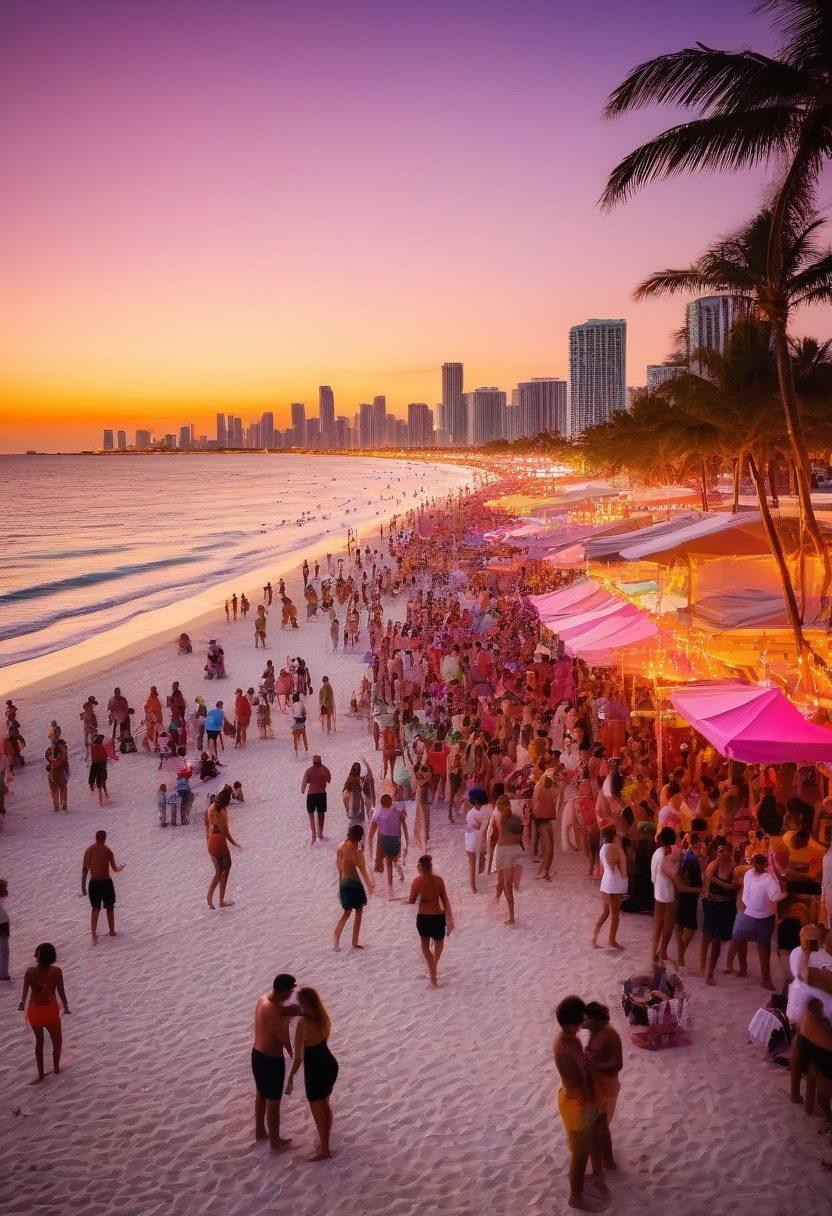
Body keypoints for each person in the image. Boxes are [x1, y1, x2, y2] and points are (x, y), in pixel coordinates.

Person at [553, 994, 608, 1211]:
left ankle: (585, 1184)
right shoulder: (571, 1043)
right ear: (574, 1022)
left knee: (580, 1148)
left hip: (568, 1096)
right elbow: (584, 1069)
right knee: (580, 1154)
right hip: (577, 1103)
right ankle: (575, 1197)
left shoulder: (560, 1040)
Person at [286, 987, 339, 1161]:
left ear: (304, 1004)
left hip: (315, 1069)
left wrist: (291, 1076)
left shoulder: (303, 1023)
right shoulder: (323, 1017)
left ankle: (324, 1150)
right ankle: (326, 1142)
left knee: (317, 1110)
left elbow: (298, 1057)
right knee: (325, 1104)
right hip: (330, 1064)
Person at [252, 973, 302, 1151]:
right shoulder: (275, 1012)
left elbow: (277, 1010)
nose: (290, 997)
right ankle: (275, 1141)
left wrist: (287, 1011)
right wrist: (294, 1057)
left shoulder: (263, 999)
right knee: (274, 1102)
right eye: (289, 993)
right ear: (283, 993)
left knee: (260, 1095)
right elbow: (284, 1038)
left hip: (257, 1055)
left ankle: (260, 1132)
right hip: (271, 1061)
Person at [724, 852, 786, 989]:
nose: (757, 866)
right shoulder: (750, 874)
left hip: (760, 914)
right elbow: (777, 896)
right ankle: (744, 970)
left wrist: (779, 874)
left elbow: (775, 896)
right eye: (756, 863)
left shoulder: (764, 878)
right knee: (740, 940)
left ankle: (765, 979)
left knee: (761, 946)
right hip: (748, 911)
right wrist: (781, 878)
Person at [18, 943, 70, 1084]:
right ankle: (56, 1069)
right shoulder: (57, 971)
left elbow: (25, 993)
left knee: (39, 1042)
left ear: (38, 955)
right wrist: (66, 1007)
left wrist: (22, 1002)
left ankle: (41, 1075)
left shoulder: (29, 972)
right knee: (57, 1042)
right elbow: (61, 992)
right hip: (50, 1011)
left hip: (34, 1011)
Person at [583, 1001, 623, 1172]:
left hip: (606, 1085)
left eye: (588, 1020)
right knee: (597, 1123)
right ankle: (605, 1158)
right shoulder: (596, 1031)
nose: (585, 1023)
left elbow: (617, 1063)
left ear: (596, 1019)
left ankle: (609, 1161)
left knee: (600, 1124)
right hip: (595, 1084)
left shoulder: (610, 1035)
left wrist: (595, 1066)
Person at [408, 854, 453, 985]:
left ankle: (433, 976)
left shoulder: (417, 881)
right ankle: (434, 967)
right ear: (431, 867)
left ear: (420, 867)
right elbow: (445, 901)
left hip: (423, 918)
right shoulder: (439, 880)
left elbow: (411, 900)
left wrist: (401, 902)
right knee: (439, 943)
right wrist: (450, 919)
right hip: (438, 917)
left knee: (425, 946)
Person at [698, 839, 738, 985]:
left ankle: (709, 973)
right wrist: (714, 874)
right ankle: (703, 968)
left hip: (724, 906)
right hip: (711, 904)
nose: (723, 853)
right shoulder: (713, 865)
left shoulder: (733, 867)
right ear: (716, 852)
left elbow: (732, 887)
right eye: (720, 851)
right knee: (705, 937)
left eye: (725, 850)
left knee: (716, 941)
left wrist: (716, 880)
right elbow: (707, 878)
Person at [333, 823, 375, 950]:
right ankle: (354, 942)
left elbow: (339, 869)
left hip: (344, 883)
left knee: (346, 913)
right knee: (359, 911)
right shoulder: (356, 852)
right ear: (360, 837)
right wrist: (369, 886)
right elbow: (362, 869)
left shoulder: (341, 846)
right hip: (354, 884)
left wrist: (339, 887)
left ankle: (335, 944)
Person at [81, 829, 124, 939]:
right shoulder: (108, 850)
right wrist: (121, 868)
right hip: (106, 883)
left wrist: (83, 888)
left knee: (95, 908)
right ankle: (112, 931)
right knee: (110, 907)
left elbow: (85, 869)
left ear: (96, 838)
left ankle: (94, 932)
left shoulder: (89, 850)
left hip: (94, 883)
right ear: (105, 838)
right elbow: (114, 869)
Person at [206, 785, 241, 909]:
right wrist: (235, 844)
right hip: (220, 844)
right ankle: (221, 901)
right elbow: (226, 833)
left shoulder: (210, 809)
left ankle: (209, 897)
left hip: (211, 843)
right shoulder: (222, 814)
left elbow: (208, 827)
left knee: (217, 872)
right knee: (225, 871)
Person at [592, 825, 627, 950]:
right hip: (614, 883)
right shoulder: (614, 848)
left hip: (606, 882)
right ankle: (612, 939)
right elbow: (621, 867)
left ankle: (594, 937)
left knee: (606, 912)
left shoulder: (603, 848)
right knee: (615, 914)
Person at [368, 793, 408, 897]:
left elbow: (371, 833)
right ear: (391, 803)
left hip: (385, 840)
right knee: (393, 858)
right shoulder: (397, 812)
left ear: (381, 804)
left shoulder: (378, 813)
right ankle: (400, 872)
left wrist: (370, 851)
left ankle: (391, 890)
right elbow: (404, 827)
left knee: (388, 862)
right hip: (396, 840)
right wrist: (406, 845)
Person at [650, 827, 678, 964]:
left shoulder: (657, 853)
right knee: (668, 922)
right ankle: (663, 951)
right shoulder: (676, 853)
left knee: (657, 921)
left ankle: (654, 949)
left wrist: (656, 884)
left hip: (659, 890)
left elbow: (653, 874)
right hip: (671, 890)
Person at [302, 755, 332, 844]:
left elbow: (303, 786)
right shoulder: (325, 769)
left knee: (311, 816)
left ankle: (314, 835)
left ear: (313, 762)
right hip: (322, 794)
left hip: (311, 795)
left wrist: (303, 789)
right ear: (320, 761)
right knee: (321, 814)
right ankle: (320, 834)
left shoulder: (309, 770)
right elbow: (329, 780)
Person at [45, 737, 69, 812]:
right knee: (63, 789)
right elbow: (64, 761)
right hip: (60, 772)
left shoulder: (50, 752)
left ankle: (56, 806)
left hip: (52, 773)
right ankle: (63, 804)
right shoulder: (63, 752)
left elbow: (47, 756)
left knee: (54, 790)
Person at [87, 734, 110, 805]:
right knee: (103, 782)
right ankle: (105, 794)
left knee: (97, 782)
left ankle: (99, 797)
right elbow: (105, 756)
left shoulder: (92, 747)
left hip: (95, 765)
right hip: (102, 766)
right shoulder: (103, 747)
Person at [0, 878, 9, 980]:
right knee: (4, 950)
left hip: (3, 924)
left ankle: (3, 974)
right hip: (3, 924)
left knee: (4, 950)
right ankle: (3, 974)